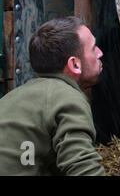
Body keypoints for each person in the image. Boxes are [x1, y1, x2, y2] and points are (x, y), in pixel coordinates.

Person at [0, 16, 106, 176]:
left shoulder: (11, 98)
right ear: (74, 64)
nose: (100, 53)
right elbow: (83, 168)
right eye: (93, 48)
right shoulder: (67, 97)